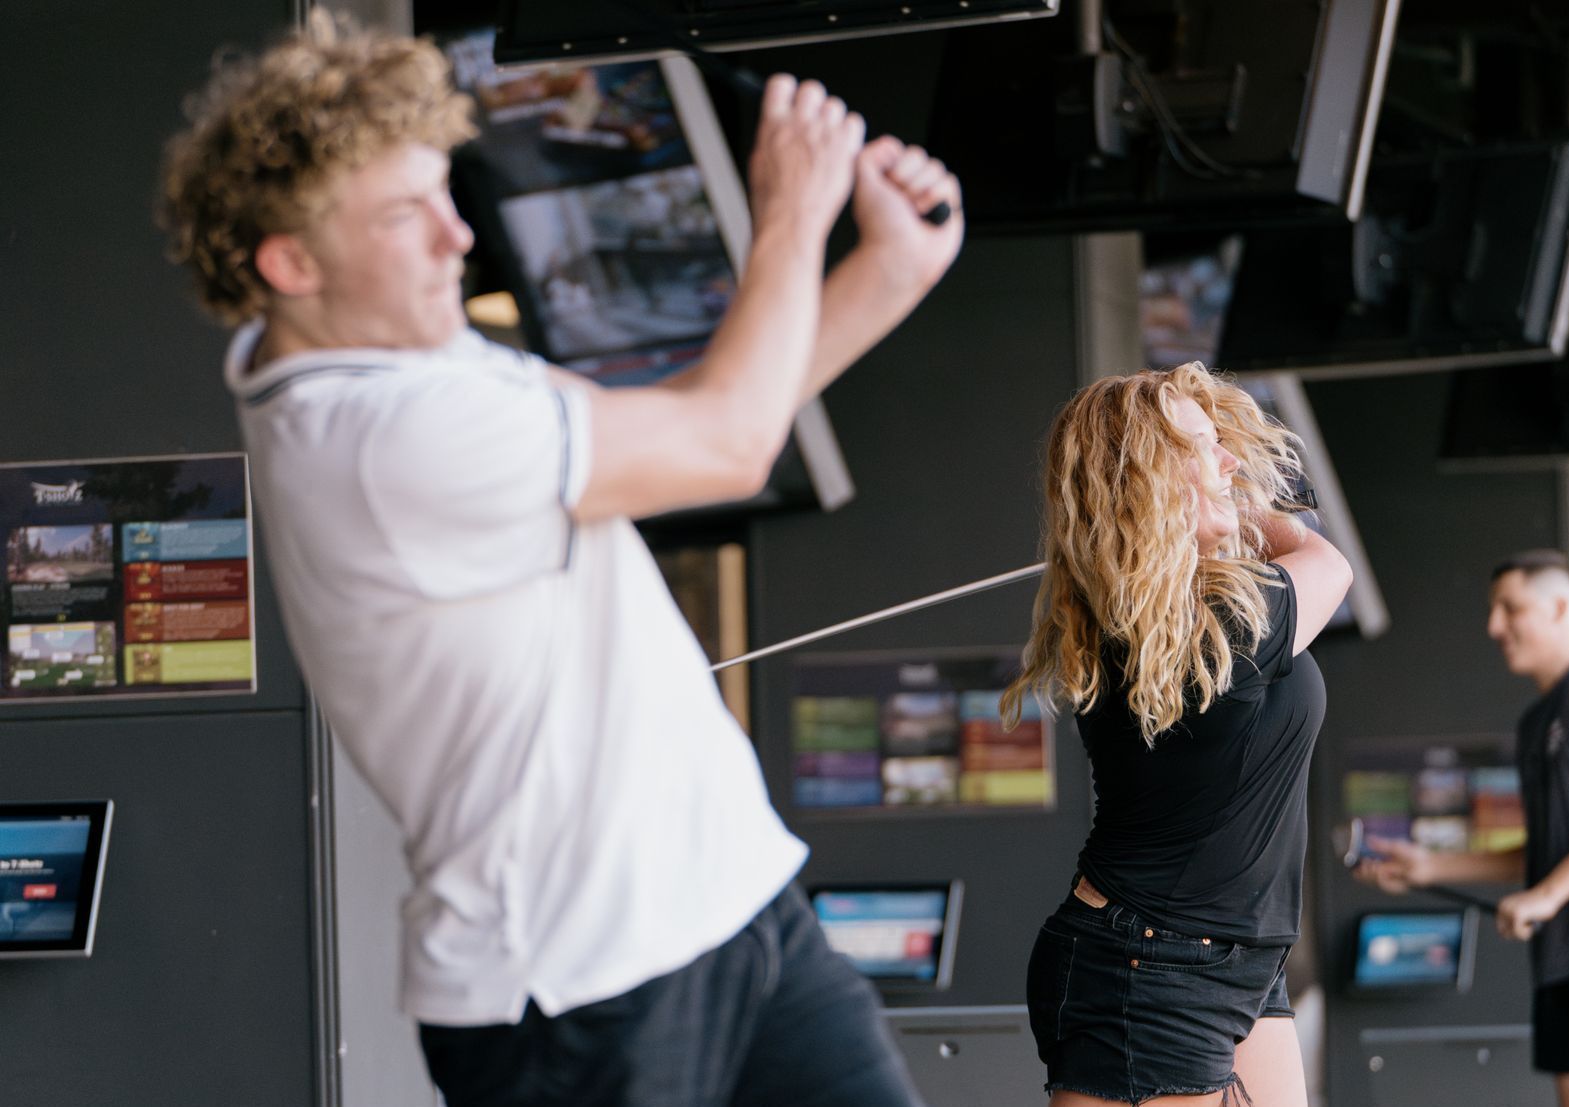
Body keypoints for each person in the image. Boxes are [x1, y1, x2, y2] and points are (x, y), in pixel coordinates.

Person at [157, 12, 962, 1107]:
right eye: (406, 215)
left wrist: (889, 270)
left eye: (446, 193)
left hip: (731, 901)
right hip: (578, 993)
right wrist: (790, 211)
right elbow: (729, 441)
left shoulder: (410, 367)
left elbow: (695, 426)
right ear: (290, 262)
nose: (455, 237)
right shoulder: (378, 436)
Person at [1002, 362, 1353, 1107]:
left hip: (1237, 957)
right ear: (1148, 482)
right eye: (1203, 449)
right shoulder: (1219, 621)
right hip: (1150, 961)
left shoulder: (1185, 608)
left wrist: (1224, 502)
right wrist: (1257, 508)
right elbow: (1326, 561)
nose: (1228, 460)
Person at [1356, 549, 1569, 1107]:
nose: (1495, 627)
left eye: (1510, 609)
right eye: (1493, 612)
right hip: (1564, 958)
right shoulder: (1535, 721)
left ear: (1562, 606)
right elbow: (1545, 850)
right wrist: (1428, 866)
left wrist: (1545, 895)